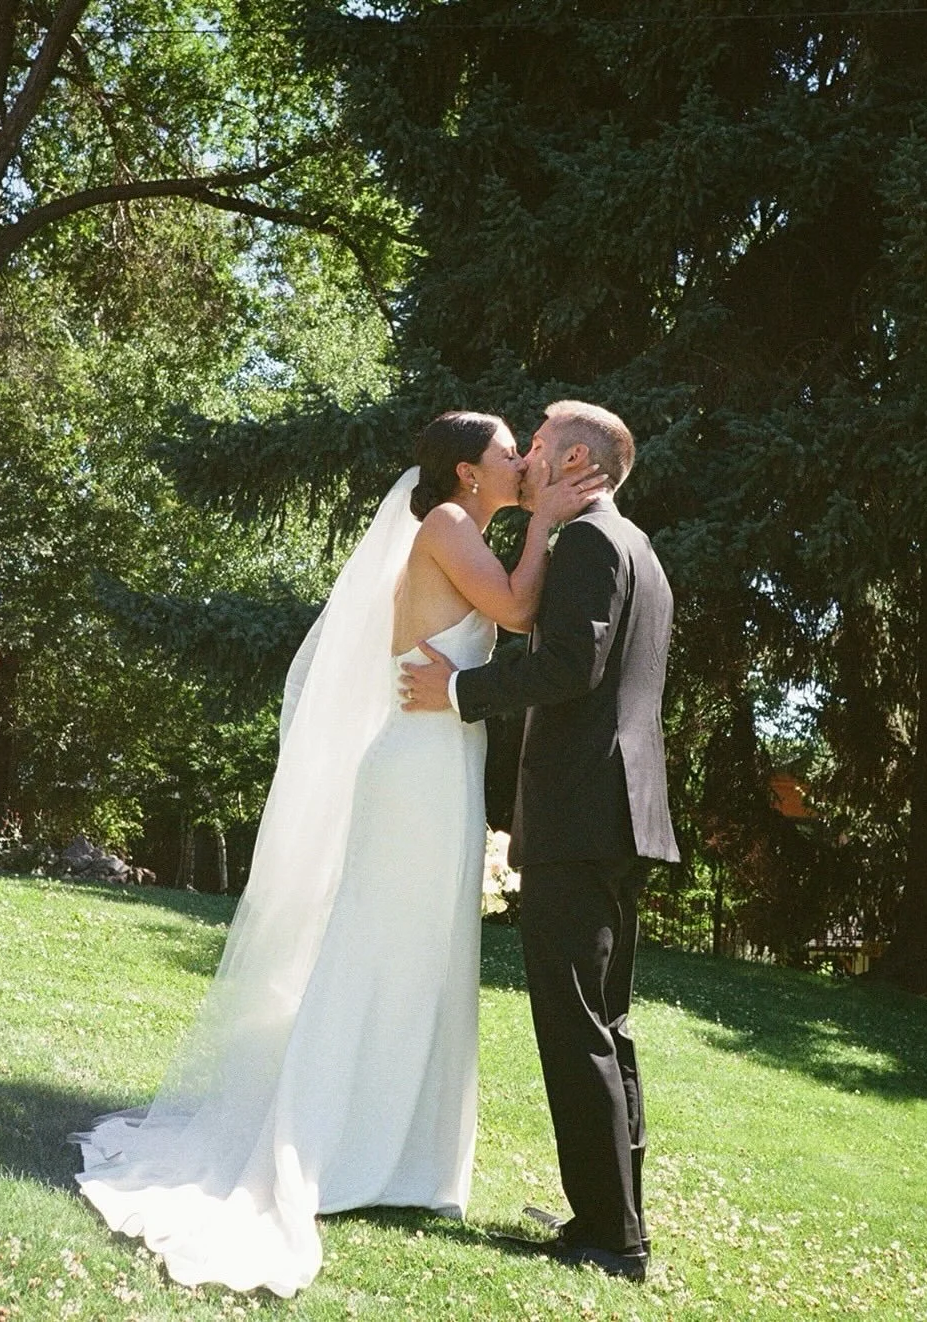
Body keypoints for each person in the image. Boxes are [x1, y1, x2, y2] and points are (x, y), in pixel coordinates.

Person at [70, 410, 604, 1298]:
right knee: (383, 948)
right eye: (510, 453)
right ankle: (331, 1142)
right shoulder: (445, 525)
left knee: (425, 954)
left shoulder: (462, 525)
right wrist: (547, 519)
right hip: (416, 769)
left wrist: (540, 521)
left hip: (443, 760)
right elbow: (514, 607)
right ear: (469, 473)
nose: (522, 463)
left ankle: (401, 1157)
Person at [402, 399, 680, 1283]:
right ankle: (613, 1218)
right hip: (615, 817)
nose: (527, 458)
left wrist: (460, 691)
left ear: (573, 462)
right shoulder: (636, 545)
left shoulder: (594, 544)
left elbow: (570, 667)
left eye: (540, 446)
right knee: (606, 1022)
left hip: (581, 816)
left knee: (575, 1025)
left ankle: (610, 1236)